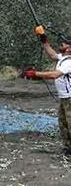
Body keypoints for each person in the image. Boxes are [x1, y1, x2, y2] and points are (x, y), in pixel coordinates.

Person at [23, 26, 71, 156]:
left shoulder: (69, 62)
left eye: (65, 43)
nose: (62, 44)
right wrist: (43, 39)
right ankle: (68, 149)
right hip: (64, 98)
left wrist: (34, 73)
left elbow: (54, 75)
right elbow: (52, 54)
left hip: (69, 98)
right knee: (63, 123)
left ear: (69, 48)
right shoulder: (63, 58)